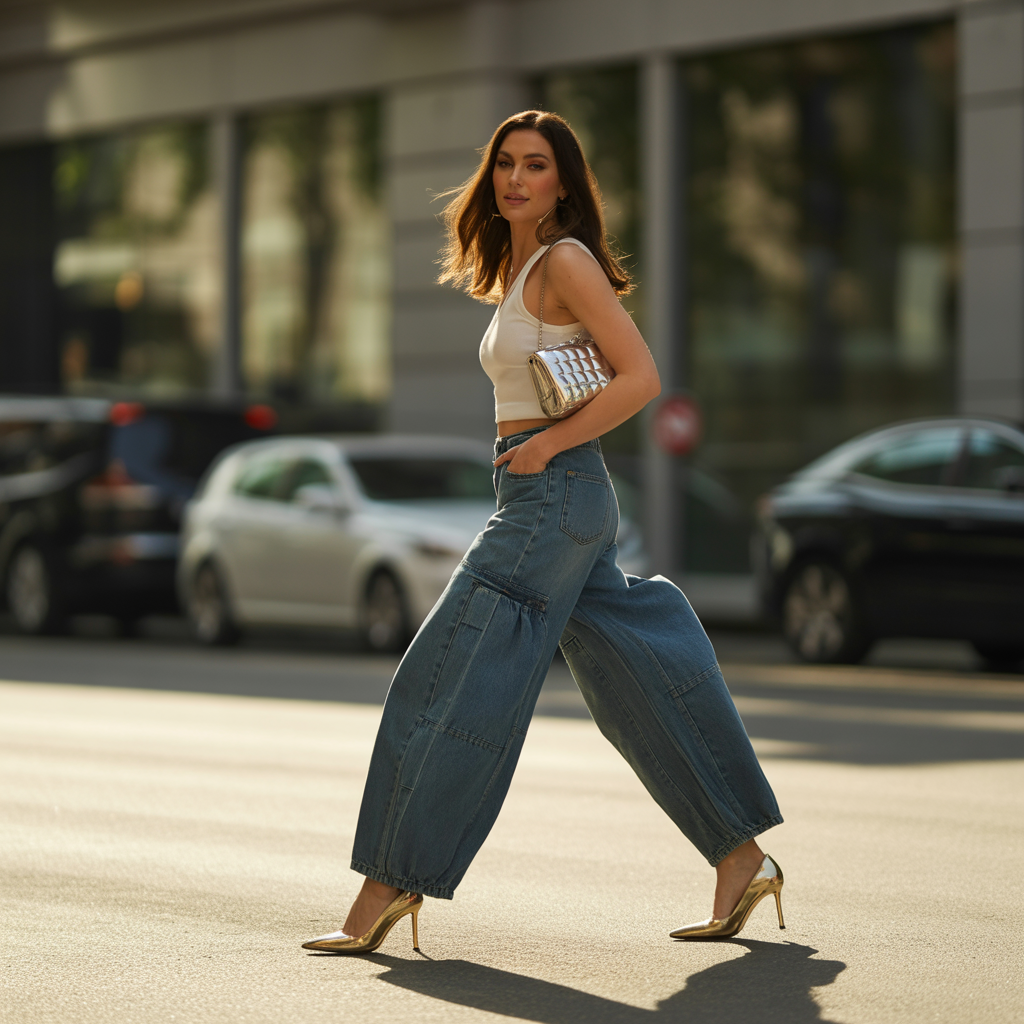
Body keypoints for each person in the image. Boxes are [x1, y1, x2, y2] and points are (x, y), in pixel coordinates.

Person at [302, 110, 784, 954]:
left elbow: (641, 377)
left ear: (563, 182)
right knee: (640, 687)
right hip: (555, 497)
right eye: (504, 165)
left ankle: (386, 883)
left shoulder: (565, 260)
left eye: (535, 165)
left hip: (548, 494)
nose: (515, 179)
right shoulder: (526, 265)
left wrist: (546, 447)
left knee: (447, 678)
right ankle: (743, 857)